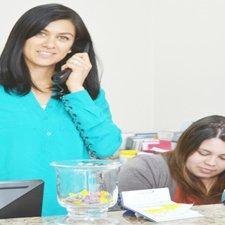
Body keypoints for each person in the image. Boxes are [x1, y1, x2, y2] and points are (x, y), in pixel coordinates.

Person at [0, 4, 122, 216]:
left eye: (63, 37)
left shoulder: (87, 95)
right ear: (22, 37)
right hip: (8, 213)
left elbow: (107, 149)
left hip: (74, 214)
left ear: (75, 48)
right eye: (40, 33)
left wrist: (75, 88)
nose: (49, 44)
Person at [118, 115, 225, 205]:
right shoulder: (146, 169)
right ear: (186, 145)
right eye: (203, 153)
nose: (211, 163)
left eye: (223, 157)